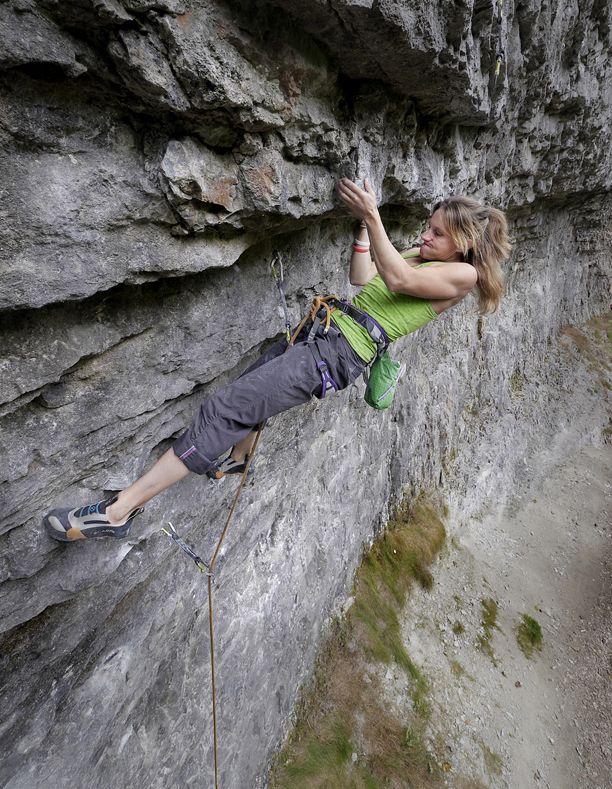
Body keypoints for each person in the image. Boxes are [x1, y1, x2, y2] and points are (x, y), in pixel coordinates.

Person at [43, 178, 511, 541]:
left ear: (464, 243)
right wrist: (363, 230)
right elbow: (363, 274)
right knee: (250, 390)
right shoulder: (425, 255)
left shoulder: (462, 275)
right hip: (323, 332)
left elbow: (397, 280)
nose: (425, 236)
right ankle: (238, 459)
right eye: (427, 228)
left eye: (436, 233)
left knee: (224, 410)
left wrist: (373, 216)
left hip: (337, 352)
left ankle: (118, 512)